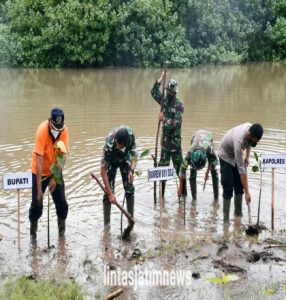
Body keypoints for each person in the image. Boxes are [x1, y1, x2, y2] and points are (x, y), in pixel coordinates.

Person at [29, 108, 69, 238]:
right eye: (55, 127)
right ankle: (33, 235)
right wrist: (40, 189)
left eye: (60, 127)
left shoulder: (64, 130)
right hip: (39, 172)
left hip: (55, 170)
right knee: (37, 205)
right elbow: (39, 161)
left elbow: (63, 156)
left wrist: (55, 176)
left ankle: (61, 235)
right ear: (50, 121)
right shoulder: (42, 130)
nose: (57, 130)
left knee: (62, 203)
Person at [218, 123, 263, 224]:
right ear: (249, 135)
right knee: (228, 187)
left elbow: (249, 144)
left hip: (235, 155)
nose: (257, 142)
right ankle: (226, 221)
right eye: (256, 140)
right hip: (225, 155)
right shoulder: (239, 141)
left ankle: (238, 216)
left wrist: (247, 156)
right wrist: (247, 192)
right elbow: (242, 172)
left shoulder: (251, 129)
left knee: (239, 187)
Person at [151, 70, 186, 197]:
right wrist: (161, 78)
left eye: (170, 92)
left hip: (175, 145)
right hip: (165, 144)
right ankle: (162, 197)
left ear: (174, 92)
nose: (167, 93)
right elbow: (153, 92)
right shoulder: (164, 100)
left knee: (180, 171)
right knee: (163, 171)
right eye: (167, 91)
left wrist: (163, 119)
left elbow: (175, 123)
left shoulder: (179, 105)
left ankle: (183, 193)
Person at [100, 126, 138, 228]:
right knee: (107, 195)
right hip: (112, 162)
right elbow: (103, 172)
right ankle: (106, 228)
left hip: (125, 159)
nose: (122, 147)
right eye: (121, 146)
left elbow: (134, 155)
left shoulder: (130, 136)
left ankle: (131, 221)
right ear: (116, 141)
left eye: (124, 146)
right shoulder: (109, 146)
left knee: (129, 188)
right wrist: (110, 194)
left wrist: (131, 170)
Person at [177, 130, 219, 202]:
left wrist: (207, 172)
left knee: (214, 170)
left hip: (208, 136)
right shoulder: (190, 154)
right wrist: (180, 187)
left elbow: (212, 161)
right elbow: (182, 170)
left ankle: (216, 198)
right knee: (192, 172)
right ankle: (194, 199)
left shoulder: (209, 150)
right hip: (195, 136)